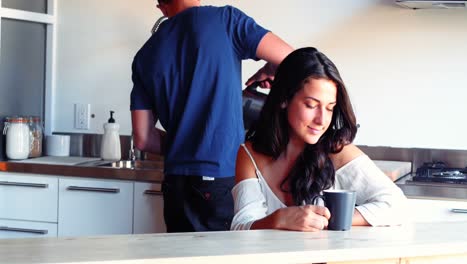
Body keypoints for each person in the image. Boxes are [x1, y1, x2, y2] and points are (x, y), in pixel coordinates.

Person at [130, 0, 293, 232]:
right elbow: (295, 60)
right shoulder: (227, 21)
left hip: (176, 183)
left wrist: (186, 142)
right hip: (220, 179)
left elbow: (143, 139)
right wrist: (271, 68)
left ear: (162, 7)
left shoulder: (145, 55)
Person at [231, 47, 407, 231]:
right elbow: (240, 227)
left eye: (330, 108)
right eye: (311, 105)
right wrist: (279, 220)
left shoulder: (338, 151)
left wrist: (331, 218)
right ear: (284, 99)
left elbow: (397, 206)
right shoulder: (249, 155)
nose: (321, 120)